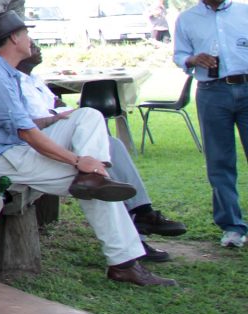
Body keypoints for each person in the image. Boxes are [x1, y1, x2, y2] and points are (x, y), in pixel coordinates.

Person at [0, 11, 173, 287]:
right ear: (14, 38)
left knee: (88, 116)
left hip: (18, 150)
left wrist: (56, 124)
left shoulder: (4, 73)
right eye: (26, 34)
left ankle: (94, 180)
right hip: (3, 159)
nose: (30, 39)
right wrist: (77, 160)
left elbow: (23, 124)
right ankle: (123, 263)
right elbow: (27, 134)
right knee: (95, 186)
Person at [15, 45, 184, 244]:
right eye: (31, 45)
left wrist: (63, 112)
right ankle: (138, 225)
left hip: (62, 134)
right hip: (40, 144)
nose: (37, 48)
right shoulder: (13, 83)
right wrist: (55, 119)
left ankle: (139, 221)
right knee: (101, 166)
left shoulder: (35, 80)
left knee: (110, 150)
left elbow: (55, 104)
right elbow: (22, 126)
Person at [171, 0, 248, 248]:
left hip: (247, 86)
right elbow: (180, 55)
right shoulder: (187, 19)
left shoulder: (244, 12)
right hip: (213, 93)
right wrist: (193, 59)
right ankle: (233, 227)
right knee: (220, 161)